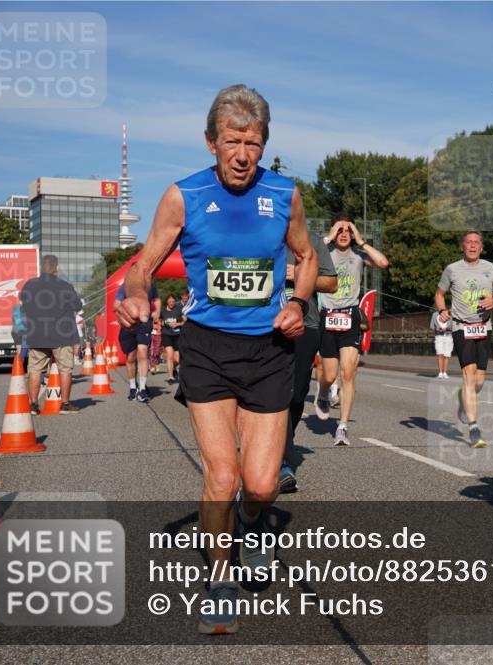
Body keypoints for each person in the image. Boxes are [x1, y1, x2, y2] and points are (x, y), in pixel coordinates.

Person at [114, 84, 316, 635]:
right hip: (206, 347)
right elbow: (143, 265)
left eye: (253, 143)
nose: (243, 155)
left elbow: (306, 255)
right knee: (222, 477)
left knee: (262, 485)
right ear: (211, 141)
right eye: (232, 141)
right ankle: (221, 581)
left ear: (264, 144)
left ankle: (252, 523)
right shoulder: (184, 195)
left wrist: (297, 302)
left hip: (269, 349)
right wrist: (137, 295)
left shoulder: (285, 194)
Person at [313, 214, 388, 447]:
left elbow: (383, 263)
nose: (344, 234)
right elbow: (304, 257)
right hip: (328, 316)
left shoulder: (358, 254)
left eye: (348, 230)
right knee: (329, 375)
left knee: (347, 373)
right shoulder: (324, 252)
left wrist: (361, 240)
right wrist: (328, 237)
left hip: (350, 317)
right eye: (340, 230)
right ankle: (323, 393)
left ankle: (342, 427)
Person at [434, 230, 493, 448]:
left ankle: (463, 399)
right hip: (461, 327)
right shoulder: (452, 269)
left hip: (484, 326)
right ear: (462, 246)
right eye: (468, 242)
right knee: (469, 375)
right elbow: (439, 294)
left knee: (479, 381)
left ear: (481, 247)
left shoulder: (491, 268)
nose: (472, 246)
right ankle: (474, 429)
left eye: (476, 243)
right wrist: (442, 310)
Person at [280, 229, 338, 493]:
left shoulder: (311, 240)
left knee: (296, 394)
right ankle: (281, 461)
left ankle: (282, 444)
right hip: (263, 322)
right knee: (272, 393)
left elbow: (331, 283)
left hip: (306, 323)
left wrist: (300, 276)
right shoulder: (257, 230)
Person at [19, 254, 82, 414]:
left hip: (37, 335)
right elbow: (77, 306)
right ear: (57, 268)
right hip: (62, 336)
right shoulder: (65, 286)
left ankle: (33, 406)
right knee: (65, 369)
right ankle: (65, 404)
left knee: (35, 369)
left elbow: (23, 303)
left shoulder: (29, 285)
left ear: (41, 267)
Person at [115, 281, 160, 402]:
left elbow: (156, 300)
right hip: (129, 325)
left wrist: (157, 312)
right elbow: (117, 304)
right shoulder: (125, 287)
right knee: (130, 358)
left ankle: (142, 389)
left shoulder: (150, 285)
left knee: (143, 354)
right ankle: (133, 387)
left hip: (144, 323)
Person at [161, 293, 186, 384]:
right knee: (170, 355)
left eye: (173, 301)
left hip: (177, 335)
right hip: (166, 335)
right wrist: (163, 323)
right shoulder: (162, 310)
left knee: (177, 359)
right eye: (170, 301)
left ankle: (174, 368)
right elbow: (158, 320)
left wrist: (178, 324)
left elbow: (185, 320)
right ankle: (170, 377)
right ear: (167, 302)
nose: (171, 303)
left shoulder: (178, 310)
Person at [430, 307, 453, 379]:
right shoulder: (435, 315)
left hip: (448, 336)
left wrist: (447, 329)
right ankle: (440, 372)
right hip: (439, 337)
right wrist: (436, 328)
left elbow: (453, 327)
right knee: (439, 354)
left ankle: (445, 372)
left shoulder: (450, 315)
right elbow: (431, 326)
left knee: (447, 355)